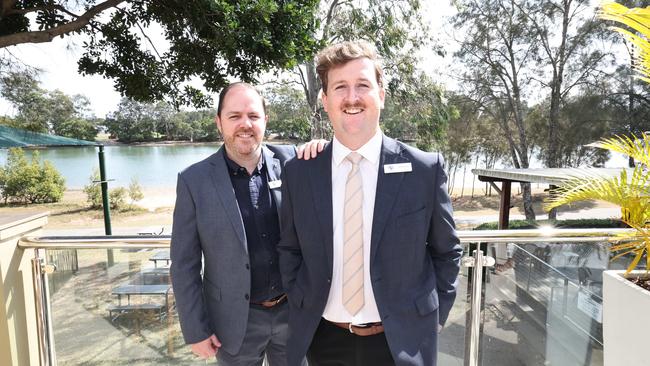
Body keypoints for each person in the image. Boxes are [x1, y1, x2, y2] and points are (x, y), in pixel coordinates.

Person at [277, 41, 463, 366]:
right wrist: (302, 301)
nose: (352, 97)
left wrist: (434, 317)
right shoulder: (300, 171)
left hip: (402, 344)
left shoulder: (423, 169)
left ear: (382, 94)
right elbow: (290, 250)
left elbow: (446, 251)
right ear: (325, 99)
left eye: (363, 85)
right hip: (322, 341)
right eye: (340, 87)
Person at [170, 82, 322, 365]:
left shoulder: (293, 163)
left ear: (265, 120)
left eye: (253, 115)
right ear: (219, 123)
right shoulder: (194, 181)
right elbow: (183, 263)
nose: (245, 124)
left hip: (293, 314)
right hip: (232, 322)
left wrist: (323, 148)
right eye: (234, 116)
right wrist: (195, 330)